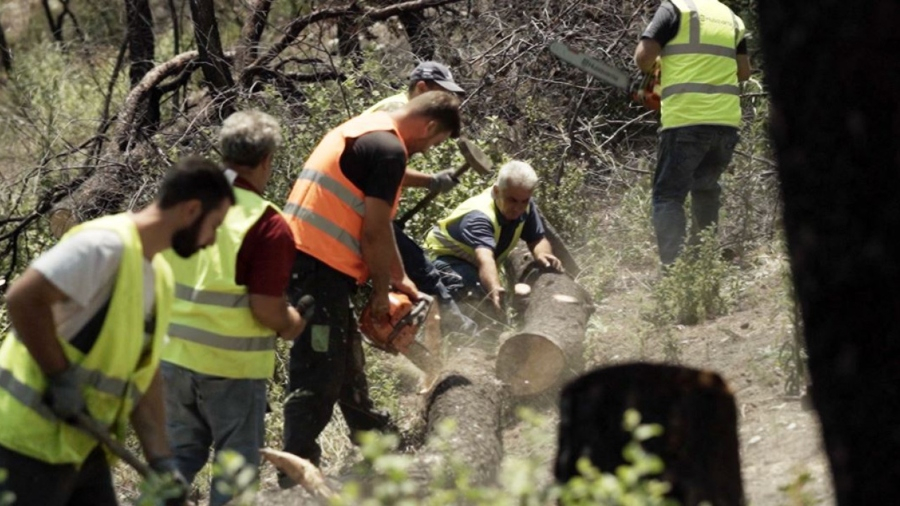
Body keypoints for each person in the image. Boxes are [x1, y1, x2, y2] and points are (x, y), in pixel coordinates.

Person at [0, 157, 234, 506]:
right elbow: (22, 298)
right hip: (23, 445)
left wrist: (162, 461)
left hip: (83, 449)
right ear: (191, 210)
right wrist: (59, 375)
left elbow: (144, 376)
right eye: (214, 225)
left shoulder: (160, 275)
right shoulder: (103, 245)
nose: (212, 240)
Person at [279, 90, 462, 477]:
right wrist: (381, 293)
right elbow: (374, 231)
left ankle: (379, 440)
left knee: (344, 361)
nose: (428, 150)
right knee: (318, 370)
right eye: (434, 142)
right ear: (428, 125)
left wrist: (400, 279)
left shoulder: (367, 129)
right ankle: (294, 471)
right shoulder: (389, 150)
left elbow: (380, 224)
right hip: (316, 265)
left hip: (312, 261)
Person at [160, 112, 307, 506]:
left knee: (178, 456)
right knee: (235, 472)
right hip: (231, 368)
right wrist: (292, 323)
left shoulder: (186, 203)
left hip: (172, 356)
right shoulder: (267, 223)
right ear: (266, 161)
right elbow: (266, 310)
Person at [634, 0, 752, 266]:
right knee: (706, 189)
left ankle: (674, 273)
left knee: (668, 195)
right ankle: (702, 265)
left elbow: (643, 58)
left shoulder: (675, 9)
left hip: (686, 120)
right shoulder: (731, 18)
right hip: (726, 121)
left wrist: (659, 71)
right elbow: (744, 72)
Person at [364, 60, 477, 336]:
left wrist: (431, 181)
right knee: (421, 270)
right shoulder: (396, 111)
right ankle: (462, 335)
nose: (444, 102)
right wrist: (430, 181)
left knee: (413, 270)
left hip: (372, 210)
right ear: (421, 88)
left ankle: (418, 338)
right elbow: (387, 168)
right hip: (365, 214)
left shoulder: (401, 112)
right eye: (440, 93)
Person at [424, 161, 562, 316]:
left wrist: (542, 254)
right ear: (497, 191)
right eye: (512, 200)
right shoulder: (478, 216)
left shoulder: (525, 205)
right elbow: (485, 258)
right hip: (443, 264)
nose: (518, 207)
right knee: (474, 301)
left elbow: (537, 239)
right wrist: (495, 289)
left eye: (524, 201)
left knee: (491, 310)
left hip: (474, 266)